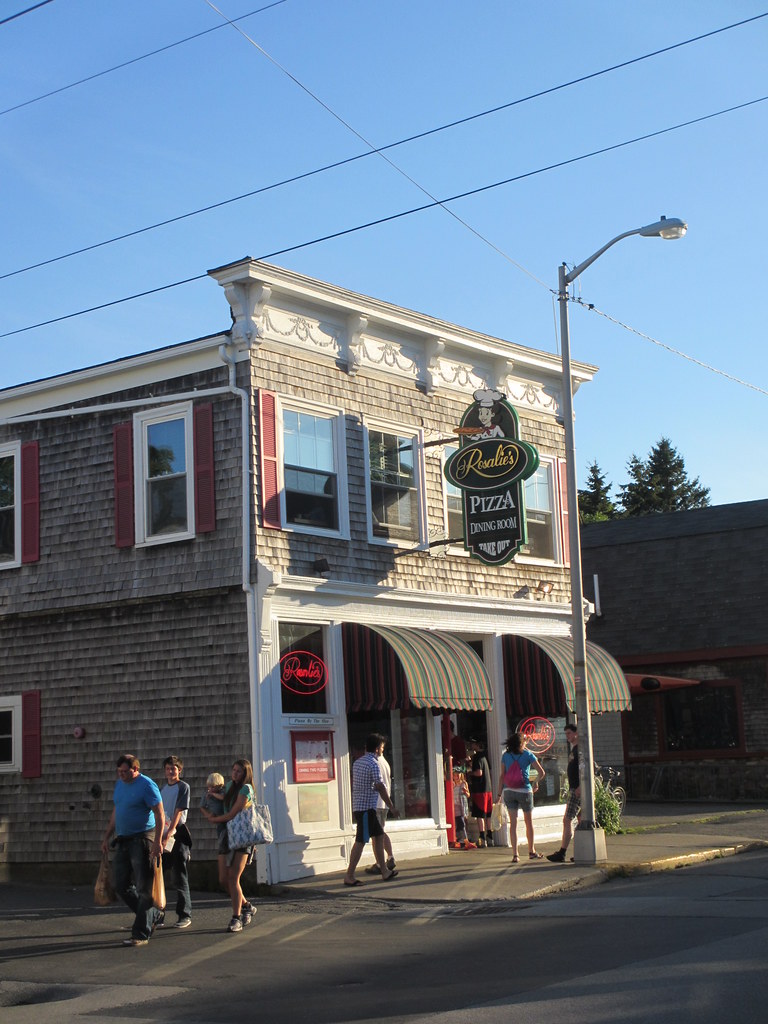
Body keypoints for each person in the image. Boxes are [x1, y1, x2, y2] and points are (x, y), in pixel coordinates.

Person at [101, 753, 165, 947]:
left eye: (125, 771)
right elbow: (117, 810)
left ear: (135, 769)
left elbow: (159, 813)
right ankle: (152, 914)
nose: (121, 775)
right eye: (119, 771)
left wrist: (158, 842)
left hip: (142, 839)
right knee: (120, 884)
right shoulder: (120, 784)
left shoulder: (147, 785)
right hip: (123, 839)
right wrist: (107, 836)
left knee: (143, 886)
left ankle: (141, 933)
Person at [200, 759, 258, 932]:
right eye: (233, 770)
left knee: (233, 877)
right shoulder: (229, 787)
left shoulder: (246, 789)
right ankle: (247, 905)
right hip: (226, 835)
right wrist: (210, 799)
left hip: (242, 836)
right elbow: (215, 798)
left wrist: (213, 819)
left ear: (246, 773)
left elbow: (233, 813)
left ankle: (236, 917)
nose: (235, 774)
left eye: (239, 771)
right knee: (224, 879)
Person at [344, 733, 399, 886]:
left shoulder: (357, 762)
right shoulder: (373, 764)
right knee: (361, 841)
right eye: (381, 748)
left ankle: (384, 871)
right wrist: (392, 807)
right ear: (376, 749)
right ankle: (349, 875)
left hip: (361, 807)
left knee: (379, 836)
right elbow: (380, 786)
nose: (382, 750)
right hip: (367, 808)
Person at [497, 732, 546, 863]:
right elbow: (541, 772)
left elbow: (502, 776)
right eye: (525, 740)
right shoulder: (528, 755)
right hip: (525, 790)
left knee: (513, 824)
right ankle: (531, 851)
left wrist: (498, 794)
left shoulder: (505, 756)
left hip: (508, 791)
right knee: (528, 823)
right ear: (521, 743)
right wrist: (535, 784)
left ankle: (515, 855)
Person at [159, 755, 192, 928]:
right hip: (163, 832)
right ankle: (158, 913)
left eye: (173, 768)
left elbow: (179, 811)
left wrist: (170, 832)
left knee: (179, 875)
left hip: (177, 833)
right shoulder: (162, 788)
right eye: (168, 768)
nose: (170, 771)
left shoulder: (183, 787)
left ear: (179, 770)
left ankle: (184, 914)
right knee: (158, 875)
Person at [547, 723, 580, 863]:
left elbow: (584, 768)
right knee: (581, 821)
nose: (567, 736)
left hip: (577, 790)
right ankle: (580, 851)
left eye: (569, 733)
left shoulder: (580, 750)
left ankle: (562, 852)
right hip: (574, 788)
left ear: (576, 733)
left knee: (567, 820)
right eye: (566, 734)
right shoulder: (575, 749)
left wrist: (580, 787)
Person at [365, 737, 396, 875]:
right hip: (384, 803)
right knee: (381, 832)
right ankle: (390, 857)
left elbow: (379, 785)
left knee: (376, 836)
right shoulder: (385, 763)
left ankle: (379, 863)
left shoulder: (374, 762)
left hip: (376, 802)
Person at [200, 771, 228, 890]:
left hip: (226, 819)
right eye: (208, 787)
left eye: (212, 787)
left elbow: (223, 798)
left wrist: (213, 794)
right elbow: (202, 806)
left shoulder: (223, 792)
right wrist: (208, 815)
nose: (210, 789)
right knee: (221, 838)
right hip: (217, 820)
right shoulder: (206, 795)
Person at [468, 737, 494, 848]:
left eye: (473, 743)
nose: (471, 745)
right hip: (488, 789)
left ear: (477, 745)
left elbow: (479, 773)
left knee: (480, 815)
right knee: (488, 815)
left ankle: (482, 838)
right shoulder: (484, 757)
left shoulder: (477, 758)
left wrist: (470, 773)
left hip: (479, 791)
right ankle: (490, 838)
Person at [450, 768, 475, 849]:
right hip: (454, 806)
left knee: (461, 823)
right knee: (459, 823)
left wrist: (465, 792)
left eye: (458, 774)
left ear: (461, 775)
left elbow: (468, 795)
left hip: (461, 806)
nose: (456, 776)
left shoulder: (463, 784)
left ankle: (463, 841)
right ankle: (462, 840)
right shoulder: (452, 784)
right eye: (455, 775)